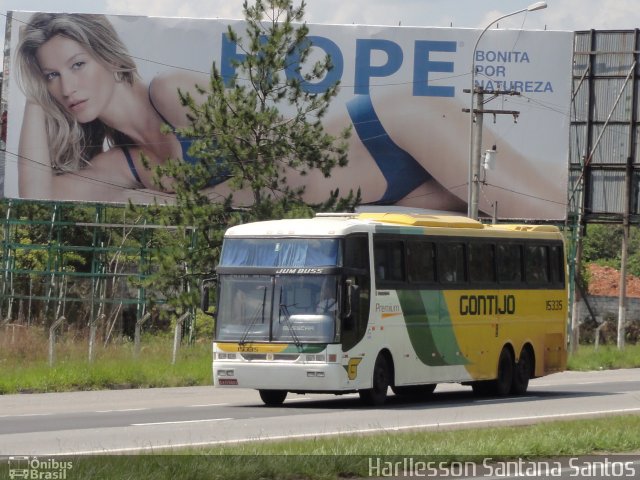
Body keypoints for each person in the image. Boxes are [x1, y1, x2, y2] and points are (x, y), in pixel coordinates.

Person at [15, 13, 211, 203]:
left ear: (110, 57)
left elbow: (243, 178)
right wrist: (35, 90)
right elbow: (37, 195)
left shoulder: (172, 90)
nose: (66, 89)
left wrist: (167, 203)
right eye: (51, 75)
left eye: (77, 64)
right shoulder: (122, 164)